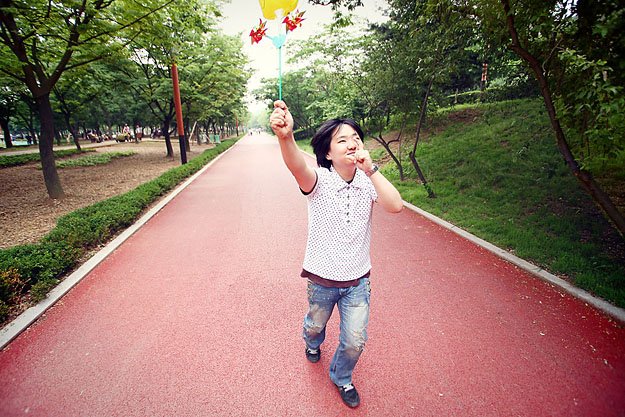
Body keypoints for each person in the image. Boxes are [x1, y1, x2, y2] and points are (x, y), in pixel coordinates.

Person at [269, 100, 403, 408]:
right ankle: (312, 341)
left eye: (356, 138)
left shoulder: (368, 182)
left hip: (358, 281)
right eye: (342, 140)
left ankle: (341, 376)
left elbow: (395, 205)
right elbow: (297, 166)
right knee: (315, 325)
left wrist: (371, 170)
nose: (352, 143)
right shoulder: (319, 180)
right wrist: (286, 138)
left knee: (355, 340)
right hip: (321, 280)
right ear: (328, 153)